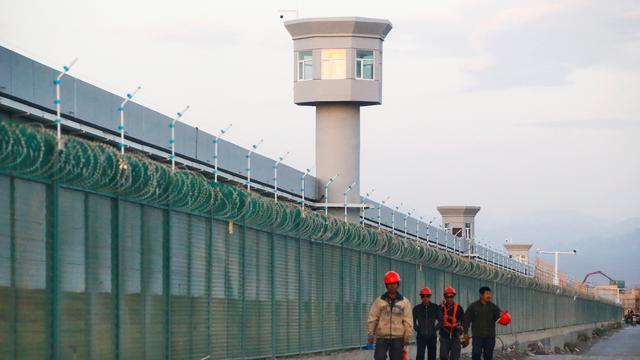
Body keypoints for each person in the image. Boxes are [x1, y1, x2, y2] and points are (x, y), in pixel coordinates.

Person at [367, 270, 413, 360]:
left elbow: (408, 320)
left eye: (394, 283)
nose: (392, 286)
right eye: (389, 284)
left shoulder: (404, 302)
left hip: (398, 338)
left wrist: (407, 336)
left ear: (398, 285)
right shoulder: (379, 301)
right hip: (382, 337)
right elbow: (372, 318)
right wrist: (370, 334)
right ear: (386, 285)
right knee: (379, 358)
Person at [463, 286, 503, 360]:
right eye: (487, 294)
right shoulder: (473, 306)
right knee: (476, 353)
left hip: (490, 337)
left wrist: (503, 317)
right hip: (477, 336)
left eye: (490, 294)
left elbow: (500, 318)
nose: (489, 296)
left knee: (488, 356)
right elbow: (466, 320)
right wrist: (465, 333)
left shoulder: (493, 307)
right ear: (481, 295)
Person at [413, 287, 442, 360]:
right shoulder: (417, 308)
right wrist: (417, 329)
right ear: (421, 297)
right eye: (423, 296)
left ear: (430, 297)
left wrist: (435, 329)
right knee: (420, 356)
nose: (425, 298)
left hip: (432, 337)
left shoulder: (435, 307)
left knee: (432, 356)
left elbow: (441, 320)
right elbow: (412, 321)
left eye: (427, 296)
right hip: (421, 337)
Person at [439, 287, 464, 360]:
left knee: (455, 357)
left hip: (455, 336)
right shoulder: (441, 308)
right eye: (447, 297)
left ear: (454, 297)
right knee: (443, 356)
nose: (449, 299)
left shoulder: (459, 308)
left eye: (451, 297)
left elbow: (463, 321)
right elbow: (435, 315)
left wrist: (462, 329)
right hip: (444, 336)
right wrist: (440, 305)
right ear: (445, 297)